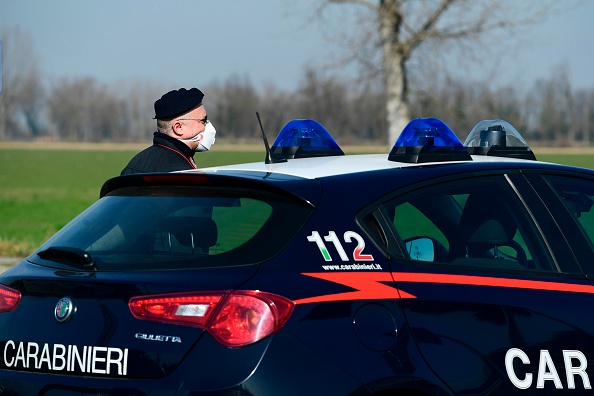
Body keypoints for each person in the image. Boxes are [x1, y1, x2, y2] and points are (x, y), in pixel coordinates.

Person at [121, 87, 216, 175]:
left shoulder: (136, 163)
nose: (207, 125)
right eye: (203, 120)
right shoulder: (181, 172)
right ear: (178, 127)